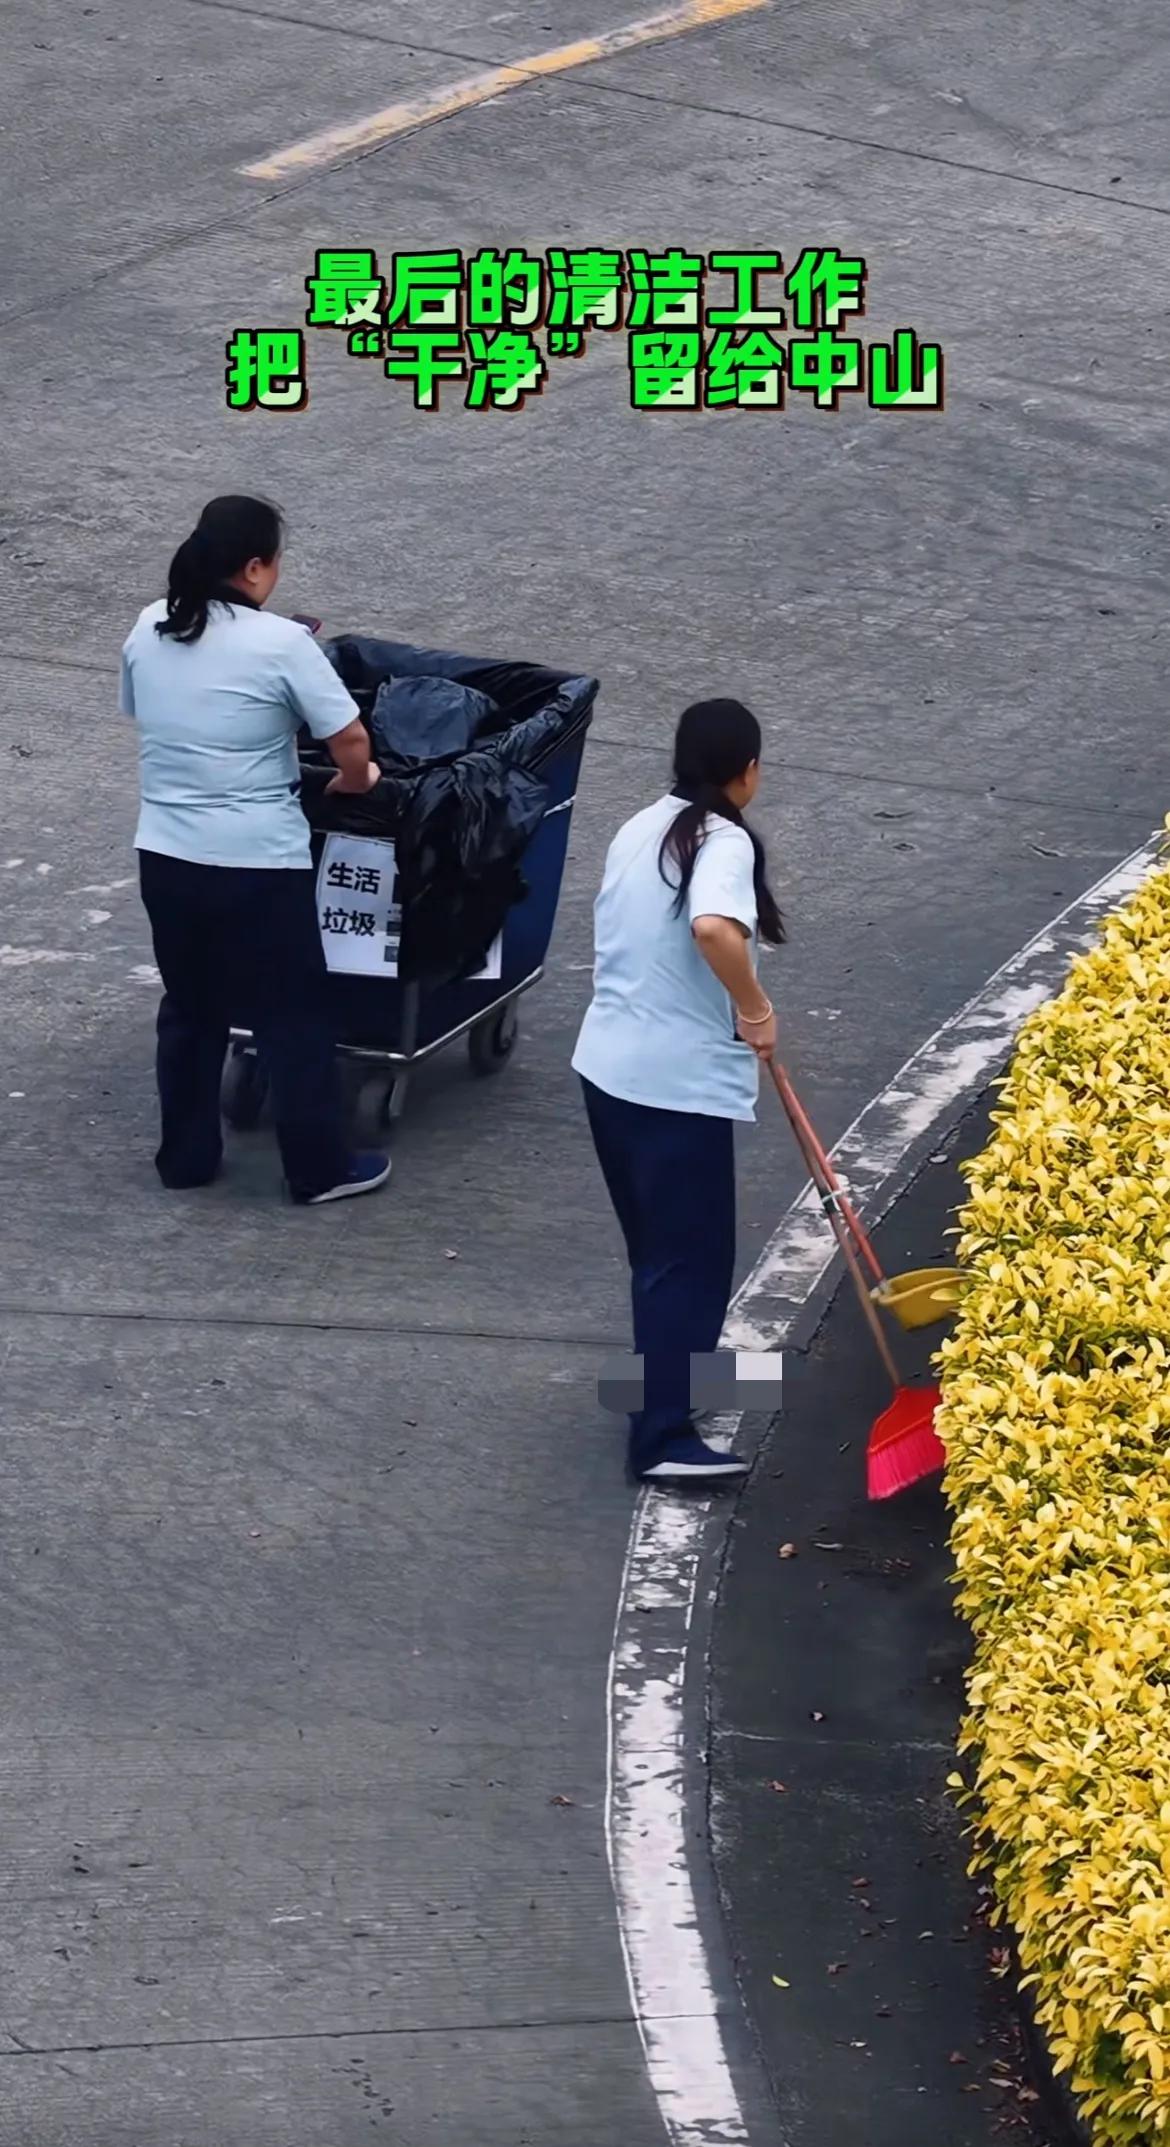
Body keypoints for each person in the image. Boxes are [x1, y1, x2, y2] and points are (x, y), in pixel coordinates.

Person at [120, 494, 391, 1204]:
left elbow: (144, 712)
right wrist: (354, 781)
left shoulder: (151, 625)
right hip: (256, 866)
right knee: (291, 1013)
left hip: (167, 857)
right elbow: (352, 741)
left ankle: (184, 1157)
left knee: (191, 1007)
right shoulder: (282, 643)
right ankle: (318, 1168)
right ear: (253, 567)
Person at [572, 699, 784, 1484]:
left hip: (609, 1070)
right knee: (689, 1262)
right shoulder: (720, 840)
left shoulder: (641, 825)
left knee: (658, 1254)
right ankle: (662, 1438)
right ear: (747, 770)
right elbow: (713, 928)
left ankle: (657, 1383)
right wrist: (755, 1007)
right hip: (671, 1087)